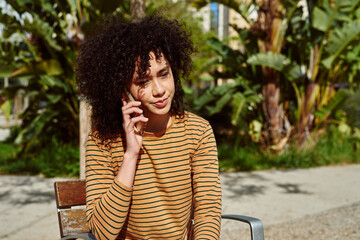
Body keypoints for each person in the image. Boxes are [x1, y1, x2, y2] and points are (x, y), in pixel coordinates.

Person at [76, 15, 222, 240]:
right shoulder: (102, 141)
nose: (159, 90)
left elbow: (207, 212)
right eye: (143, 82)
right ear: (122, 91)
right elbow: (102, 233)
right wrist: (131, 155)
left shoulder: (198, 132)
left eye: (163, 74)